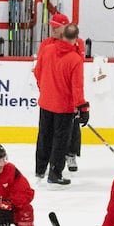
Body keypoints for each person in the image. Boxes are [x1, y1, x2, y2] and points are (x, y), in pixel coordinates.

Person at [32, 13, 87, 186]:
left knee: (44, 136)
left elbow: (38, 71)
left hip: (47, 102)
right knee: (60, 140)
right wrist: (82, 107)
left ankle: (40, 169)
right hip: (64, 106)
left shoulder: (48, 49)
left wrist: (46, 89)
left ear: (64, 31)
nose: (53, 29)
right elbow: (76, 86)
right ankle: (54, 173)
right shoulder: (75, 58)